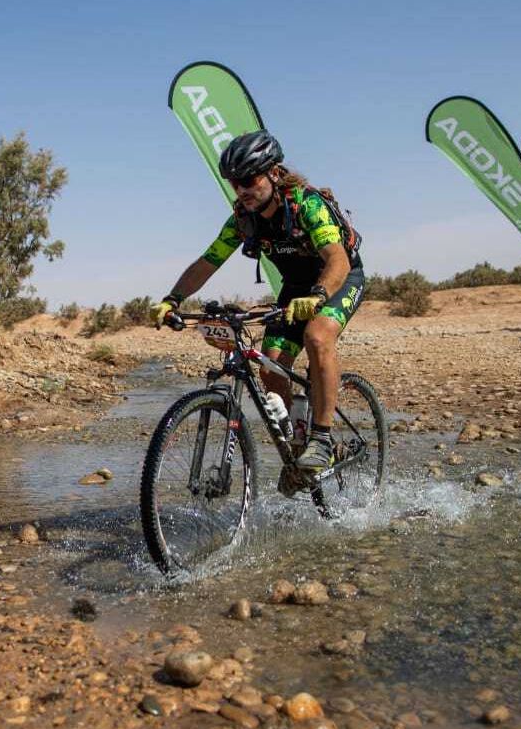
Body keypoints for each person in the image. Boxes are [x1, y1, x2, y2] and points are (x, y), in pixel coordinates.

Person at [150, 130, 364, 474]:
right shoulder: (242, 220)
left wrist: (318, 296)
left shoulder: (307, 205)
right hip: (295, 289)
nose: (243, 190)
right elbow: (208, 262)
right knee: (270, 367)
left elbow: (337, 259)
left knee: (317, 337)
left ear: (274, 173)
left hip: (337, 280)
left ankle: (322, 440)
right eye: (236, 184)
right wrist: (172, 299)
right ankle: (299, 440)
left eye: (249, 180)